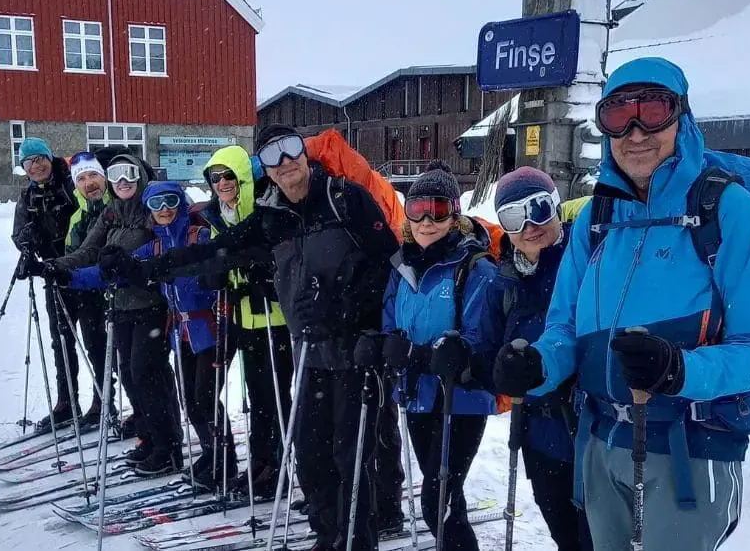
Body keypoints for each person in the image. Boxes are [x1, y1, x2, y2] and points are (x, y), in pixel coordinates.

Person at [494, 57, 750, 550]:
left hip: (689, 450)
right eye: (616, 116)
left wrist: (680, 371)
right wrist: (535, 366)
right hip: (599, 443)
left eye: (654, 111)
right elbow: (563, 330)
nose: (635, 132)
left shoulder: (729, 211)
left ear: (682, 116)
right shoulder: (596, 219)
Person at [117, 124, 400, 550]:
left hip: (355, 352)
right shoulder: (272, 217)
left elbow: (388, 266)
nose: (285, 163)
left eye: (291, 150)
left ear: (304, 154)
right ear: (263, 167)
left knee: (352, 460)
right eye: (272, 155)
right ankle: (328, 539)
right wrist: (145, 269)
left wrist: (344, 306)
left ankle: (358, 542)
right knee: (311, 457)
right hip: (311, 355)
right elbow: (213, 250)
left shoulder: (346, 200)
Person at [55, 181, 227, 487]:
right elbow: (118, 272)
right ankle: (211, 454)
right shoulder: (156, 245)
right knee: (191, 399)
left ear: (182, 203)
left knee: (205, 398)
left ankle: (221, 462)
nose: (164, 210)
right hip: (182, 332)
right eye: (157, 204)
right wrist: (69, 276)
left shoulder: (197, 236)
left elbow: (220, 264)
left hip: (209, 329)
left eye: (171, 201)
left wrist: (212, 275)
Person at [371, 164, 500, 551]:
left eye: (438, 209)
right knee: (440, 491)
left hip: (459, 400)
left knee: (437, 496)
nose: (428, 220)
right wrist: (385, 346)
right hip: (416, 395)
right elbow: (390, 321)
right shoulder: (402, 267)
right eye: (418, 209)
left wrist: (420, 355)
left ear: (454, 214)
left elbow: (479, 340)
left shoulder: (475, 269)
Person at [32, 153, 184, 476]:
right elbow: (88, 251)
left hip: (151, 307)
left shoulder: (150, 209)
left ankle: (168, 446)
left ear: (139, 177)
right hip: (120, 307)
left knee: (148, 374)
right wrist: (54, 266)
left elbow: (163, 247)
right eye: (116, 175)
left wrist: (129, 261)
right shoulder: (112, 214)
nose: (123, 181)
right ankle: (148, 438)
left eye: (129, 174)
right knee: (129, 375)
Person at [478, 167, 592, 551]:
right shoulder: (504, 283)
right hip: (540, 437)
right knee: (566, 537)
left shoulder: (589, 262)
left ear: (557, 208)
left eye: (539, 209)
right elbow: (488, 355)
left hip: (594, 433)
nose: (530, 225)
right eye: (513, 216)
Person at [194, 145, 294, 498]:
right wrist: (215, 274)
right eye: (215, 177)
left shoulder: (265, 209)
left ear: (242, 178)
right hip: (242, 317)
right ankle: (260, 462)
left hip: (275, 319)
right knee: (255, 394)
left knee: (275, 396)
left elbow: (279, 256)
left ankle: (276, 464)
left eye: (228, 176)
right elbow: (217, 257)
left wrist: (260, 272)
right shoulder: (220, 215)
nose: (222, 183)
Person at [10, 137, 81, 430]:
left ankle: (106, 401)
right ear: (24, 167)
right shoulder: (27, 197)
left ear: (49, 159)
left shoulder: (70, 185)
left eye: (40, 158)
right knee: (60, 341)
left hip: (84, 272)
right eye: (29, 161)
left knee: (97, 341)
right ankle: (67, 401)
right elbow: (18, 233)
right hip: (53, 275)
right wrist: (27, 244)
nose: (36, 165)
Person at [56, 151, 116, 427]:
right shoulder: (79, 212)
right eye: (81, 178)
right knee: (93, 347)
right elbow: (75, 250)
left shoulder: (114, 206)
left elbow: (93, 252)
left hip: (106, 290)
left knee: (108, 350)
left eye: (93, 175)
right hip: (81, 289)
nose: (89, 182)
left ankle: (106, 403)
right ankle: (98, 401)